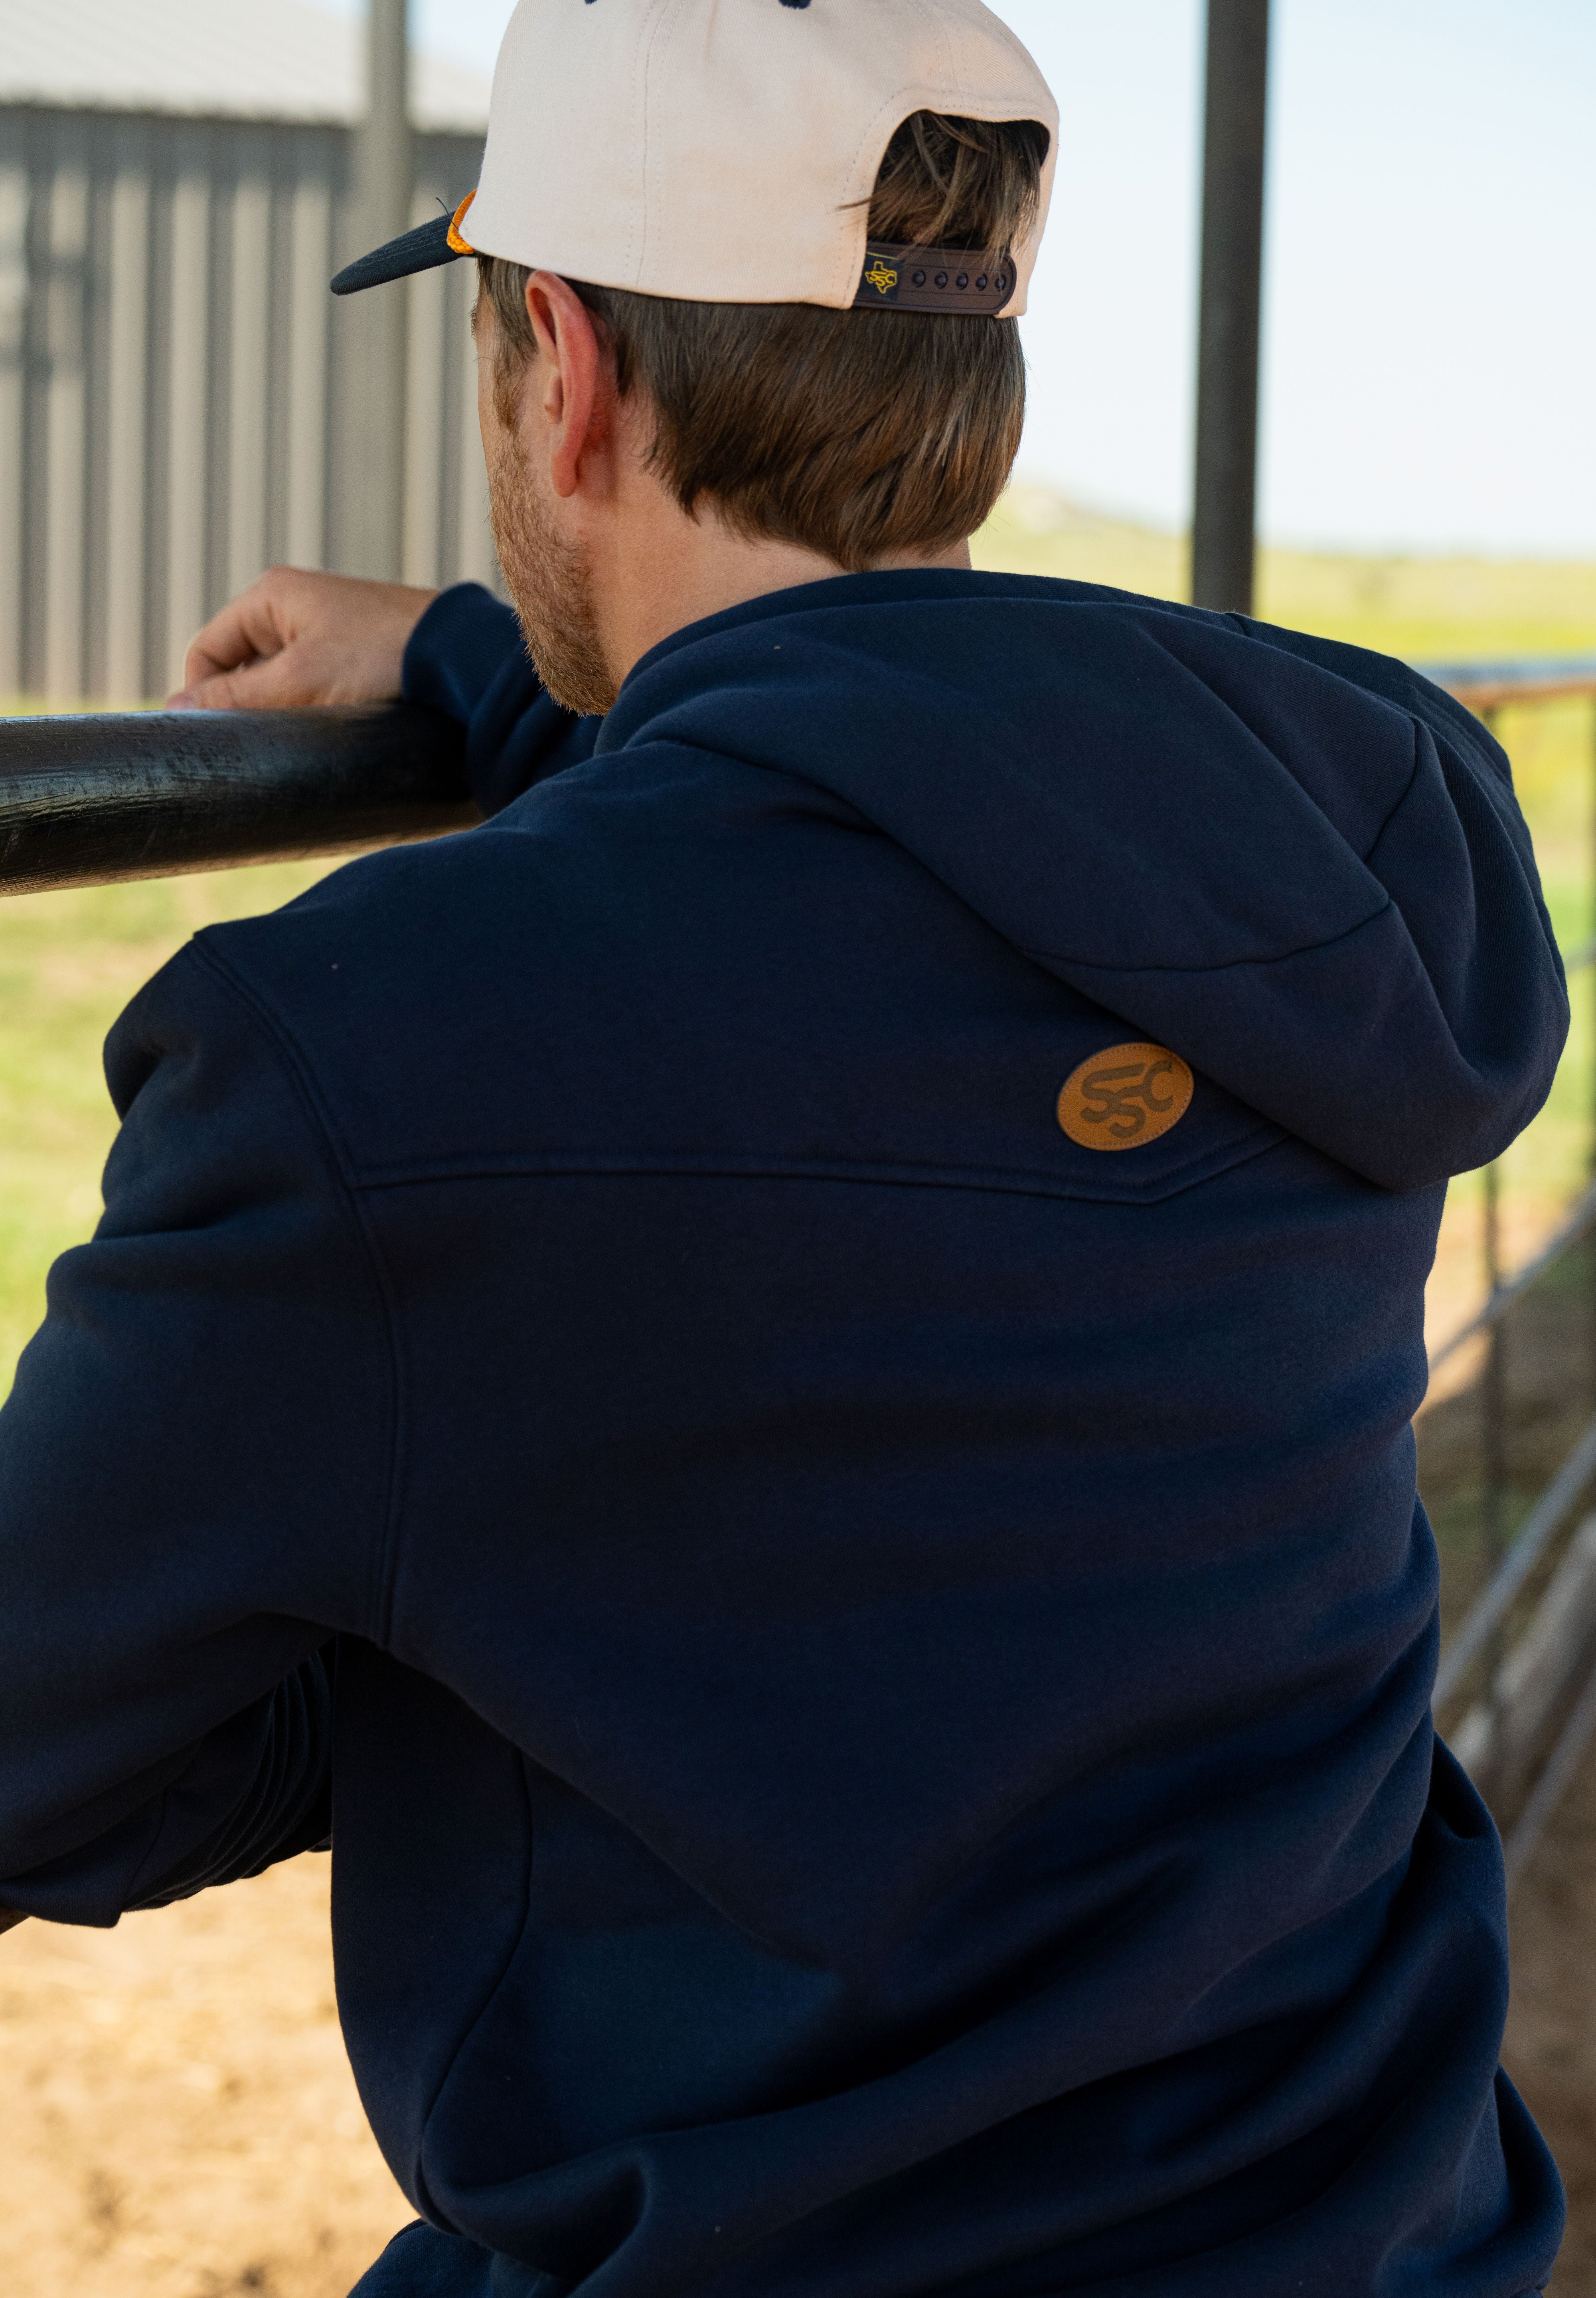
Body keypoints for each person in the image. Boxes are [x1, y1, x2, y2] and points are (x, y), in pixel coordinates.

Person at [0, 2, 1572, 2293]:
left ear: (566, 366)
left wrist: (480, 1622)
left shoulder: (367, 1058)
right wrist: (491, 667)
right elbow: (863, 817)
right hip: (1380, 2226)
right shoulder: (1354, 854)